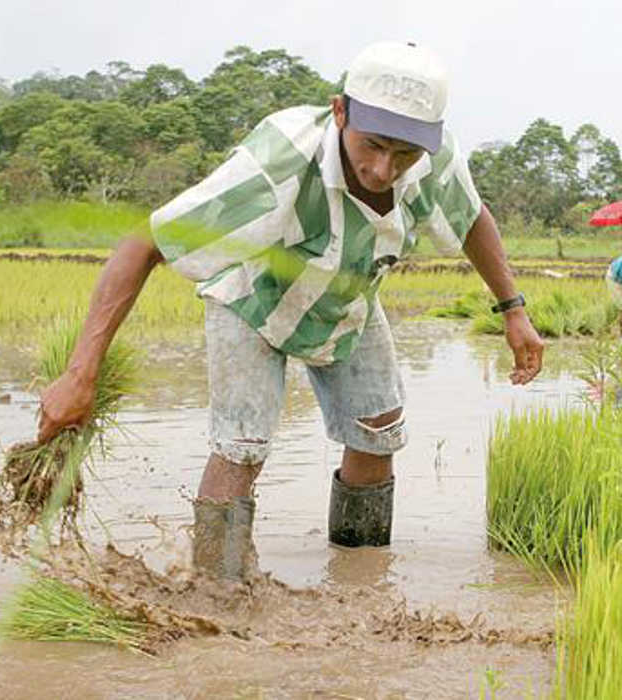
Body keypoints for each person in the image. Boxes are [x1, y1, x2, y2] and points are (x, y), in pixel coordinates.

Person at [34, 41, 545, 581]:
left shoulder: (434, 159)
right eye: (371, 145)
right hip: (252, 302)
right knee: (242, 447)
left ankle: (359, 584)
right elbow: (144, 245)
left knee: (377, 434)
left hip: (348, 299)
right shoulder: (275, 164)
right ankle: (218, 592)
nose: (382, 169)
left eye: (404, 155)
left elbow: (471, 217)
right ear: (340, 111)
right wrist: (79, 372)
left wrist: (513, 310)